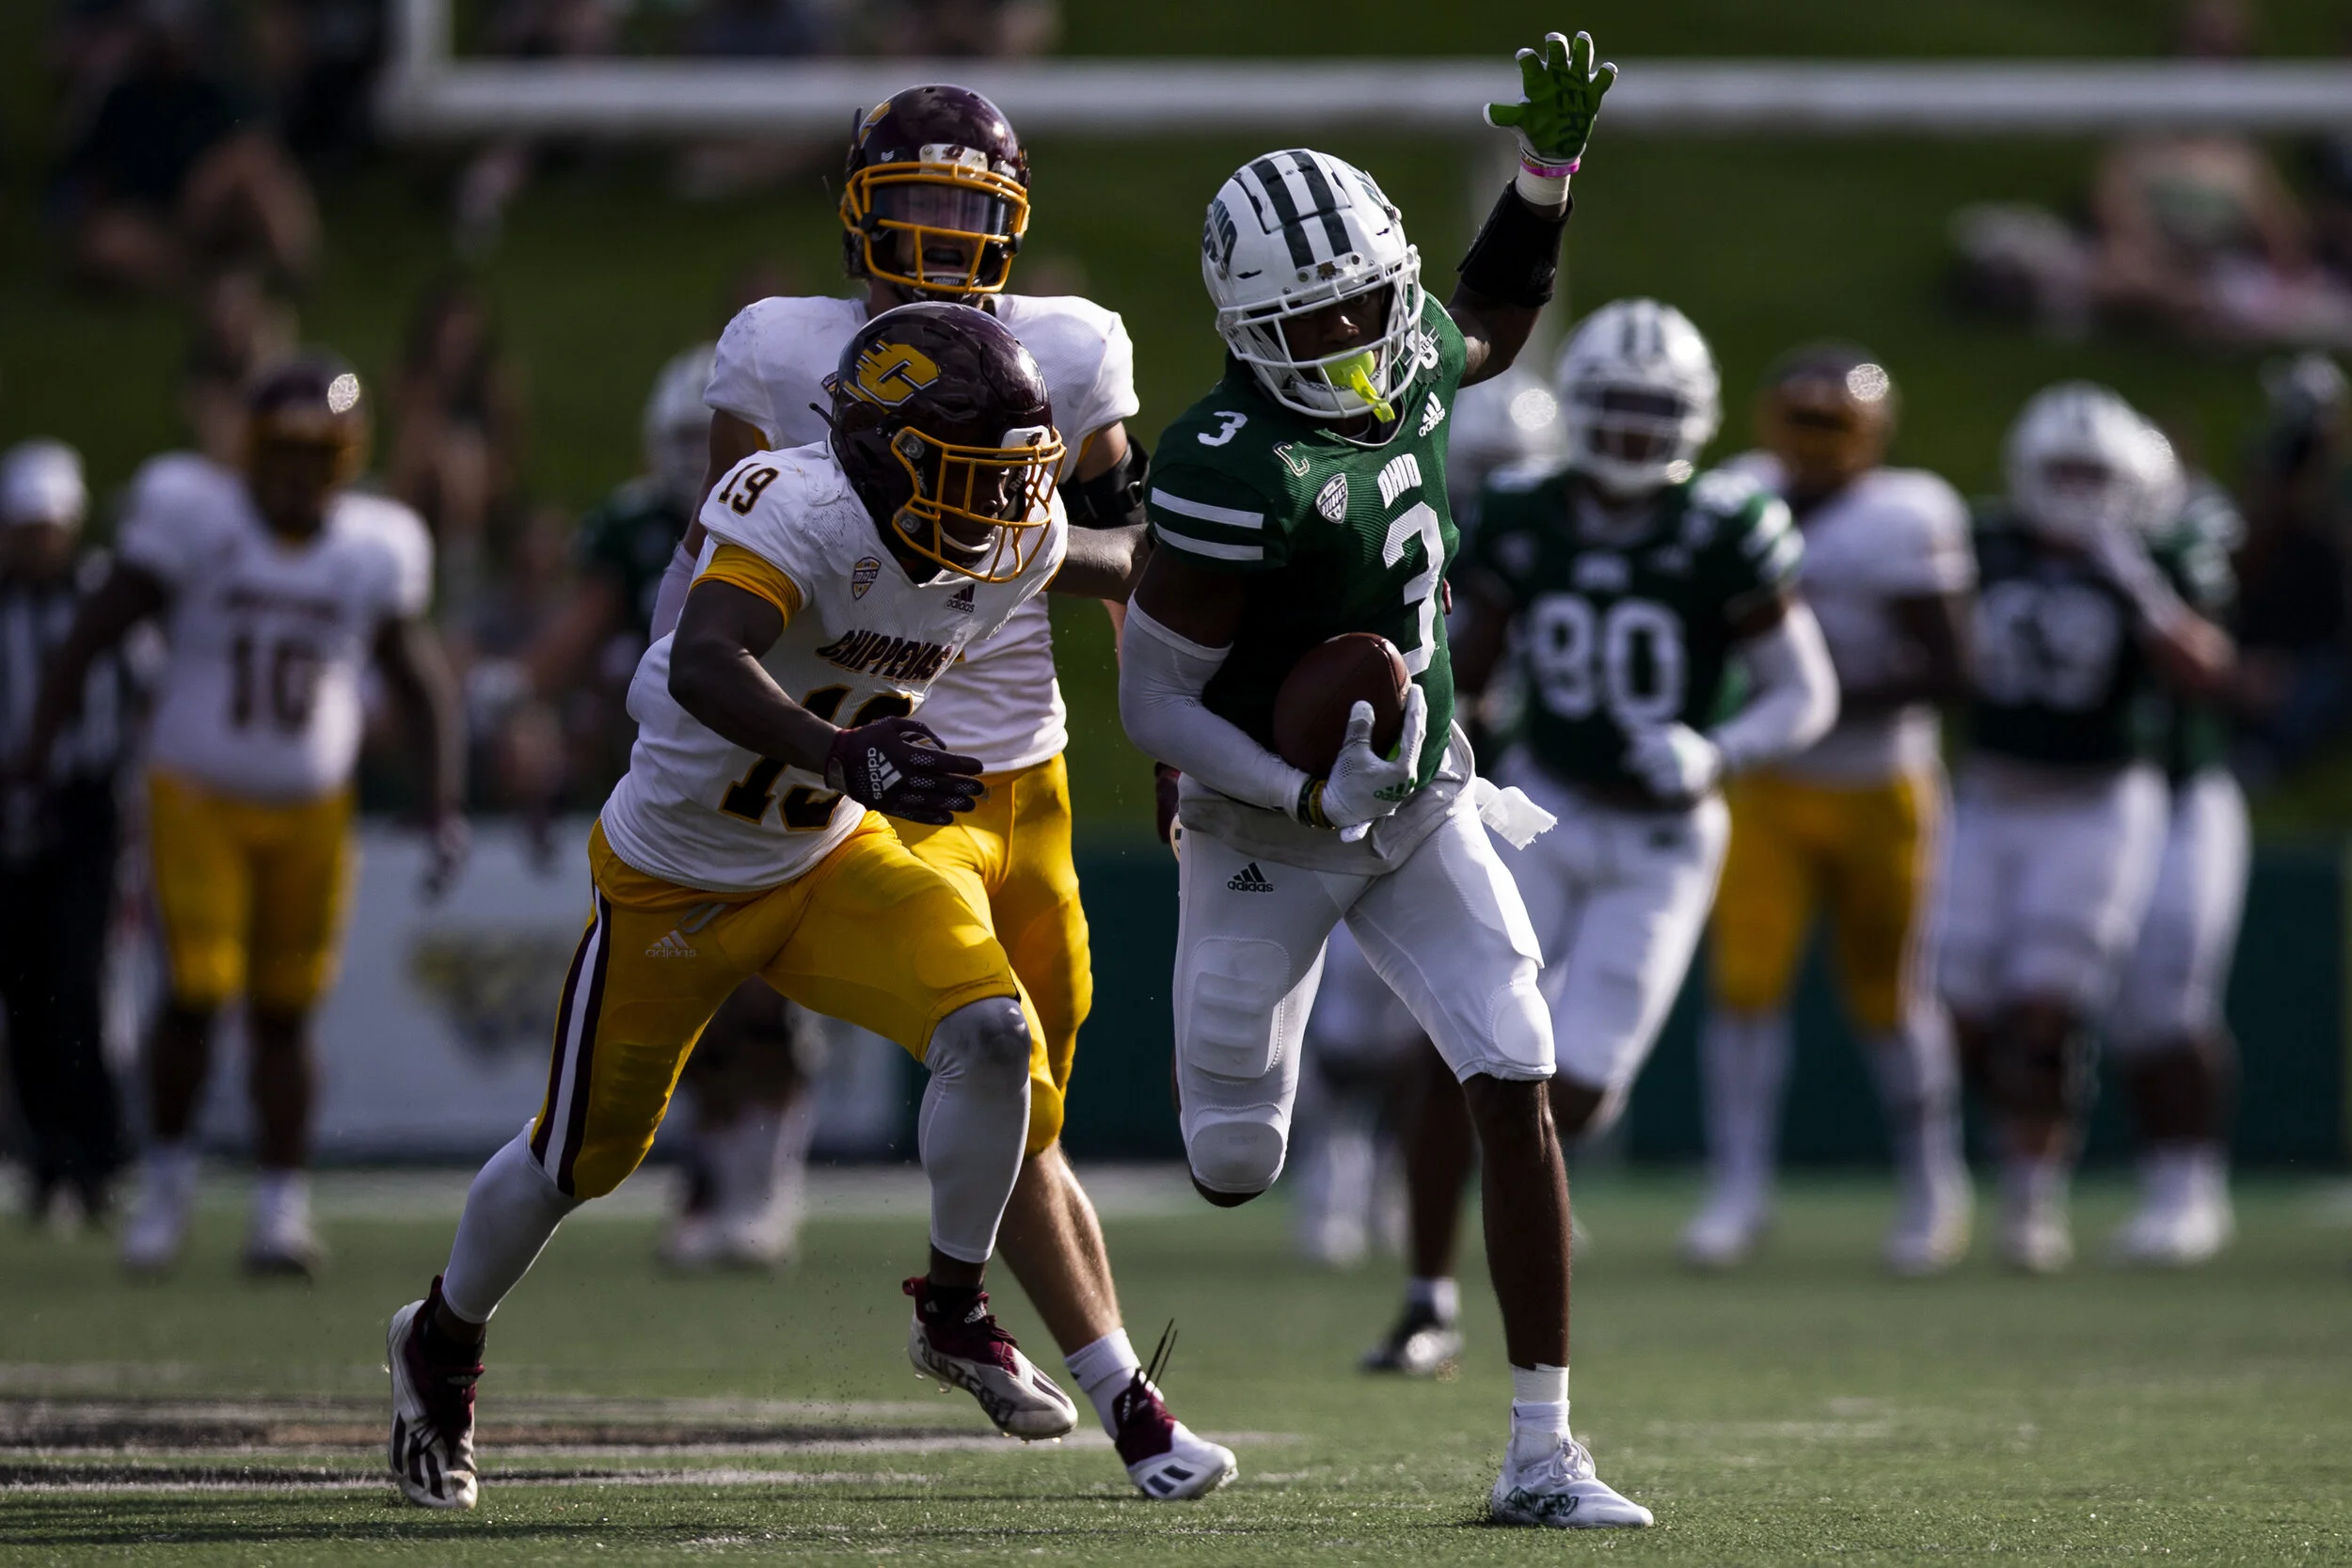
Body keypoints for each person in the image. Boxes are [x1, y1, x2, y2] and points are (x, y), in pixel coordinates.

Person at [384, 303, 1145, 1511]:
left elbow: (1124, 558)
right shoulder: (795, 506)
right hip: (679, 874)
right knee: (577, 1158)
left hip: (830, 857)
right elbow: (704, 657)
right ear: (892, 457)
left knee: (996, 1032)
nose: (1003, 507)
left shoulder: (1002, 529)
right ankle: (440, 1337)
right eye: (972, 475)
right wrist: (840, 751)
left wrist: (1242, 554)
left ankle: (953, 1307)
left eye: (1014, 478)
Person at [647, 84, 1232, 1498]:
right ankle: (1124, 1402)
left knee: (1034, 1102)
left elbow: (1131, 563)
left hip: (1032, 764)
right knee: (1000, 1058)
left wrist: (1172, 740)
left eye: (967, 209)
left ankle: (986, 1316)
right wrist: (722, 735)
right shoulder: (780, 346)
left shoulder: (1072, 347)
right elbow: (726, 571)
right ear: (856, 213)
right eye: (910, 202)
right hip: (890, 765)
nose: (937, 234)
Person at [1122, 34, 1666, 1529]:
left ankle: (1545, 1447)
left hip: (1421, 795)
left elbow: (1488, 319)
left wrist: (1544, 178)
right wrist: (1300, 795)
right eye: (1316, 319)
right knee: (1234, 1158)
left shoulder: (1406, 343)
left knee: (1515, 1065)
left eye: (1370, 301)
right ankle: (1245, 1059)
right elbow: (1152, 700)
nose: (1356, 336)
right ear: (1246, 327)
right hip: (1265, 817)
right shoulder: (1227, 462)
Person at [1358, 298, 1838, 1376]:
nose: (1629, 429)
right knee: (1452, 1042)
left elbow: (1805, 691)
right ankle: (1426, 1294)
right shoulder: (1523, 510)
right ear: (1576, 407)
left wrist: (1716, 750)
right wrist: (1439, 738)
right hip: (1546, 804)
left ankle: (1509, 1224)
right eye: (1613, 406)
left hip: (1664, 835)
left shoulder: (1726, 525)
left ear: (1694, 416)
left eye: (1652, 410)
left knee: (1574, 1090)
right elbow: (1470, 659)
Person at [24, 357, 467, 1275]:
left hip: (312, 808)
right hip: (197, 795)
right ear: (251, 450)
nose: (299, 473)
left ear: (348, 457)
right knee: (195, 990)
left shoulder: (372, 544)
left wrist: (441, 801)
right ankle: (167, 1187)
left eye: (318, 453)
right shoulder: (196, 516)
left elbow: (417, 675)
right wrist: (38, 741)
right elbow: (95, 627)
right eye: (284, 451)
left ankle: (279, 1207)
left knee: (286, 1011)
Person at [1679, 344, 1976, 1274]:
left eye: (1830, 423)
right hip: (1767, 783)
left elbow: (1949, 667)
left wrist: (1810, 695)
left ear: (1871, 432)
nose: (1811, 441)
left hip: (1880, 784)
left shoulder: (1908, 513)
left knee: (1891, 996)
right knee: (1743, 986)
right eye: (1799, 420)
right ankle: (1738, 1187)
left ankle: (1932, 1183)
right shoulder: (1738, 493)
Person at [1940, 384, 2233, 1273]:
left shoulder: (2160, 550)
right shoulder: (1981, 541)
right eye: (2060, 472)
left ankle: (2044, 1193)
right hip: (1992, 791)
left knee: (2059, 1002)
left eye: (2093, 474)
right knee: (1955, 1008)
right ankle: (1995, 1162)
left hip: (2106, 794)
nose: (2074, 492)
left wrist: (2133, 579)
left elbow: (2207, 668)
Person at [2106, 430, 2247, 1265]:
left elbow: (2209, 660)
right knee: (2131, 1008)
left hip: (2183, 795)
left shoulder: (2181, 548)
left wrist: (2132, 579)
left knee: (2173, 999)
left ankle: (2193, 1184)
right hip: (2089, 801)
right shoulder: (2038, 554)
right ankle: (2165, 1182)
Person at [0, 440, 137, 1228]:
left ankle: (97, 1154)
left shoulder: (103, 594)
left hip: (88, 806)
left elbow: (148, 691)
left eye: (49, 526)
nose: (39, 541)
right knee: (23, 985)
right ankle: (47, 1157)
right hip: (10, 808)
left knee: (78, 978)